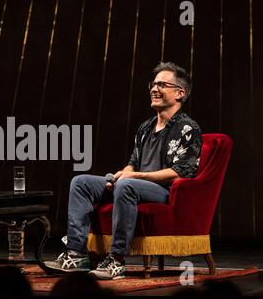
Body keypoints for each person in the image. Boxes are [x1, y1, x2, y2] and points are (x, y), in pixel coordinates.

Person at [44, 62, 202, 280]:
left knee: (127, 184)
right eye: (153, 84)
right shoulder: (145, 127)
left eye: (162, 84)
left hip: (164, 191)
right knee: (81, 182)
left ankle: (116, 259)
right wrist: (122, 174)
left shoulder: (187, 127)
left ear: (179, 93)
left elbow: (181, 172)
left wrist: (132, 177)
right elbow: (133, 163)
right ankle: (77, 253)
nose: (154, 89)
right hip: (133, 184)